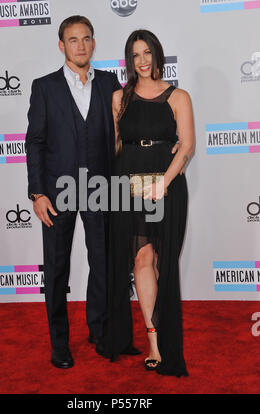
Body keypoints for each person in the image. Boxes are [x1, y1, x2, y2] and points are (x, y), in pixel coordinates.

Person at [25, 15, 122, 369]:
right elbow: (34, 142)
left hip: (100, 189)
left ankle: (99, 330)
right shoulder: (45, 87)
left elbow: (120, 134)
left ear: (93, 43)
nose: (80, 45)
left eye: (86, 39)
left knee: (103, 264)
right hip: (56, 192)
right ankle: (60, 344)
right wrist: (38, 194)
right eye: (73, 39)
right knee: (56, 270)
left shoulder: (110, 83)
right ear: (61, 45)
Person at [101, 29, 194, 377]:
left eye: (147, 53)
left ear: (157, 55)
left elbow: (186, 146)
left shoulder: (178, 96)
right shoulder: (118, 99)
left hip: (167, 185)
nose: (141, 61)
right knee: (141, 256)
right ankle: (154, 342)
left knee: (162, 262)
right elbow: (113, 147)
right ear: (129, 60)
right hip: (129, 184)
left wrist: (163, 183)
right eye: (135, 55)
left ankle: (166, 332)